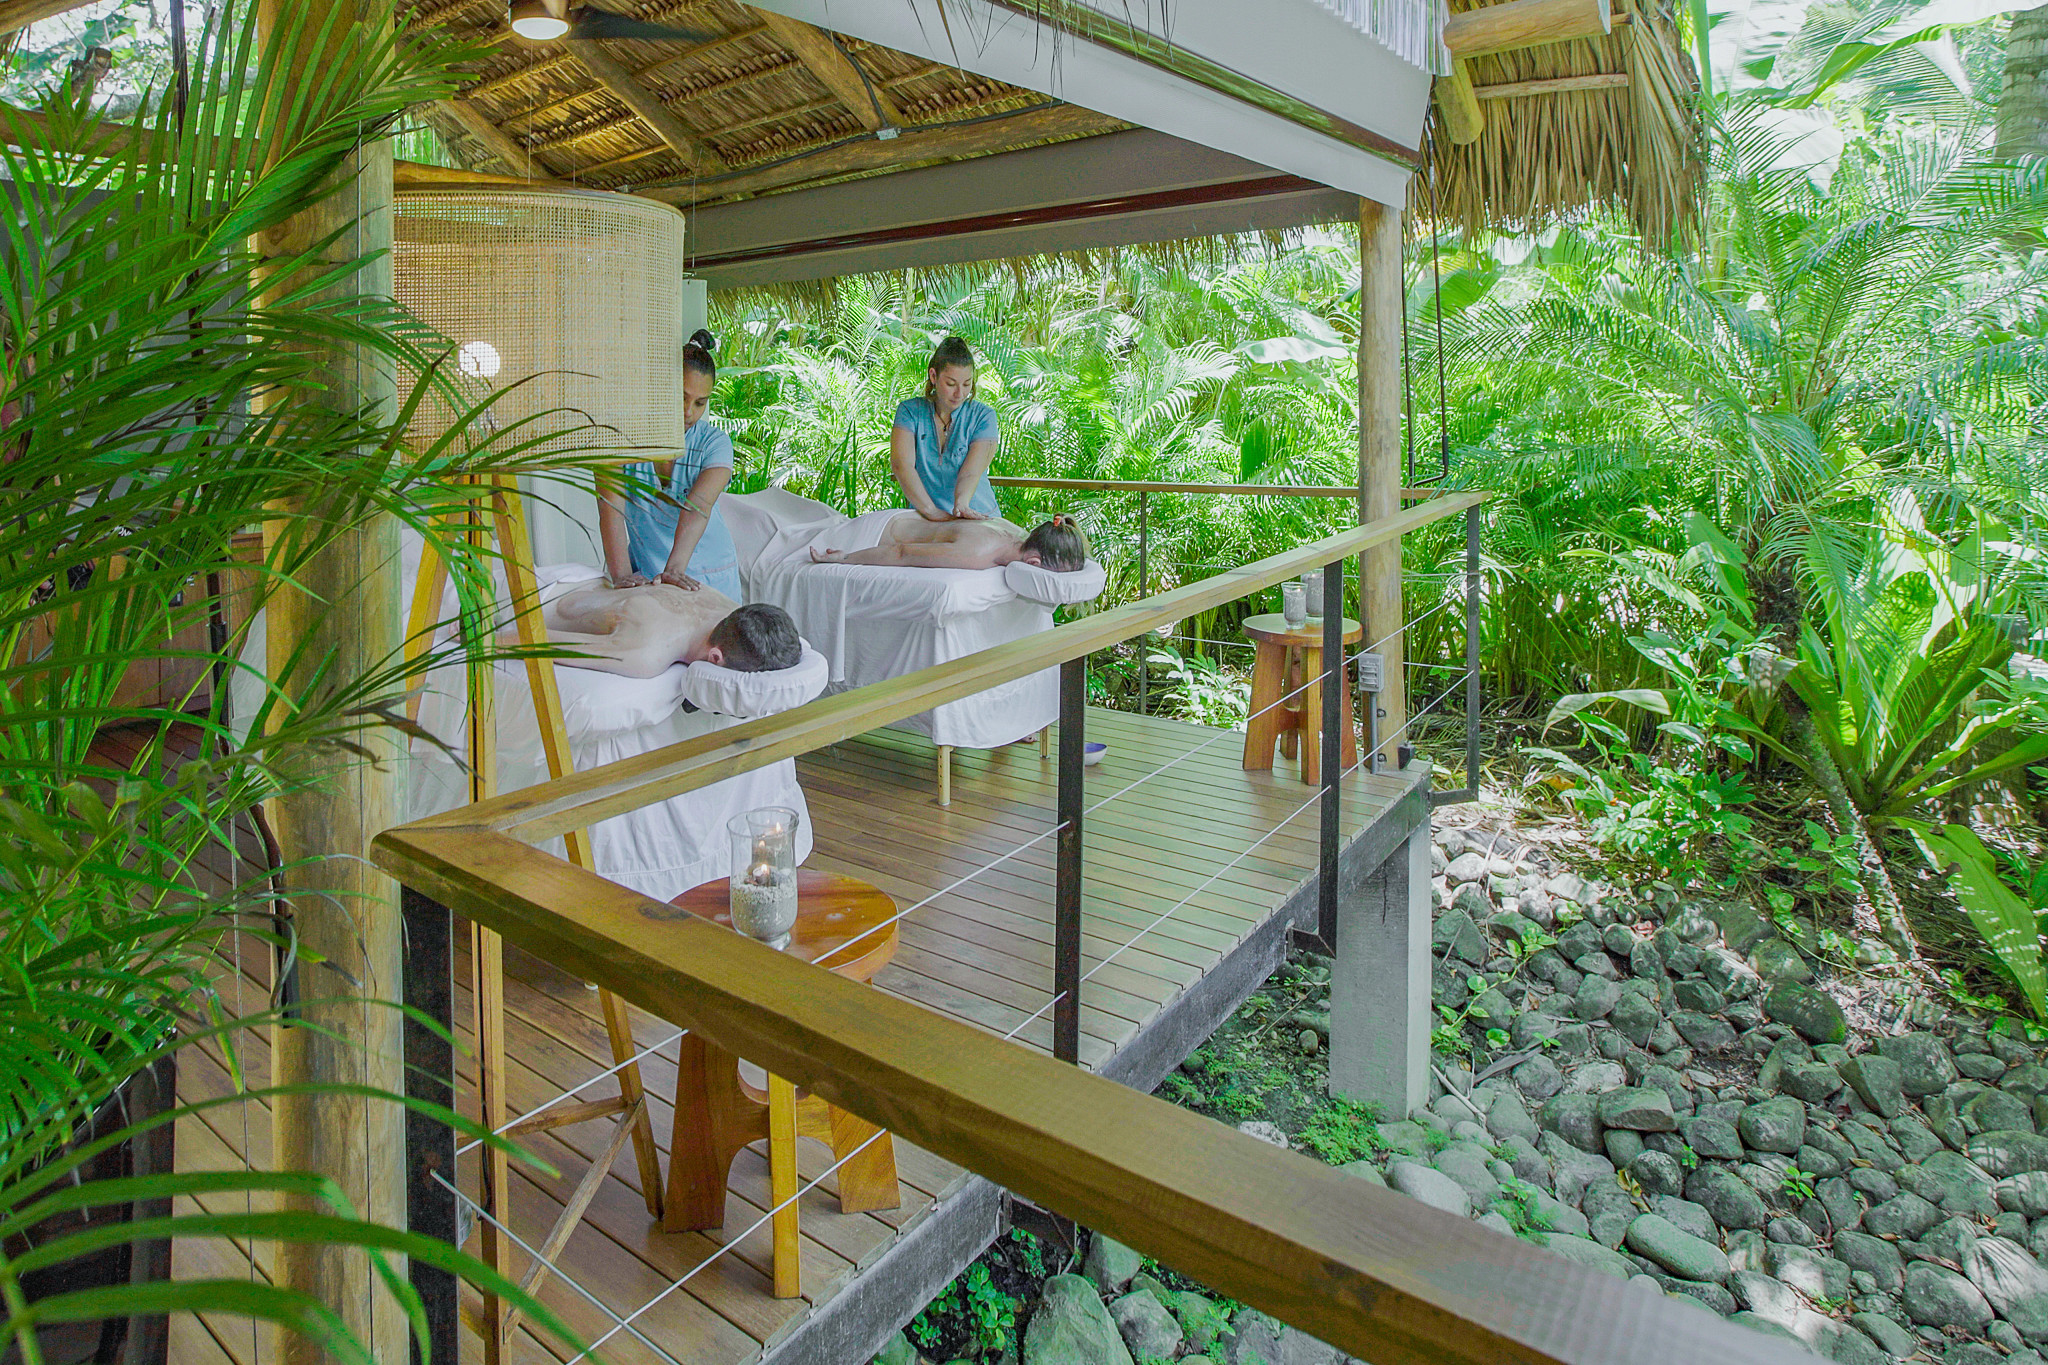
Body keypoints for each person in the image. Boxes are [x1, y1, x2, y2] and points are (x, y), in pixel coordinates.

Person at [598, 328, 742, 598]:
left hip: (711, 578)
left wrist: (674, 570)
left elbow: (697, 506)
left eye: (700, 403)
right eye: (681, 397)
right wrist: (622, 577)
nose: (689, 412)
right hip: (646, 576)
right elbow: (610, 511)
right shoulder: (618, 442)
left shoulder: (715, 444)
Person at [540, 580, 800, 680]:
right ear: (715, 659)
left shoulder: (725, 605)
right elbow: (528, 643)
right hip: (538, 598)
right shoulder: (647, 652)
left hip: (581, 583)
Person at [890, 335, 1001, 522]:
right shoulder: (909, 412)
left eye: (967, 384)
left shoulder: (984, 416)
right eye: (951, 384)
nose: (960, 393)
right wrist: (932, 512)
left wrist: (961, 506)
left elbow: (971, 472)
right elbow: (902, 466)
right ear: (933, 376)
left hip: (976, 517)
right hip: (925, 519)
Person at [809, 511, 1089, 573]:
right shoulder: (978, 553)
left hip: (907, 521)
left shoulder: (1018, 534)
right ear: (1033, 562)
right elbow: (901, 552)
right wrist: (846, 557)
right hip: (876, 534)